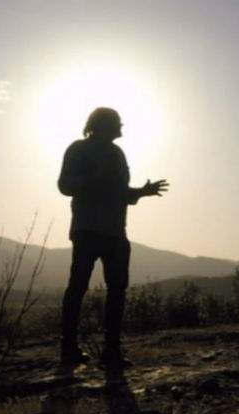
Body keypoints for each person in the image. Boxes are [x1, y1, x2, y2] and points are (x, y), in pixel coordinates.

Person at [58, 107, 168, 368]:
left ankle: (112, 351)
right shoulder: (79, 149)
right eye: (118, 122)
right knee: (78, 288)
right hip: (87, 230)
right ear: (102, 125)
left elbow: (120, 193)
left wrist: (141, 192)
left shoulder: (117, 153)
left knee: (117, 291)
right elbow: (65, 185)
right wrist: (94, 178)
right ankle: (69, 348)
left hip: (116, 232)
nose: (122, 126)